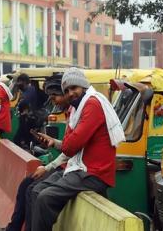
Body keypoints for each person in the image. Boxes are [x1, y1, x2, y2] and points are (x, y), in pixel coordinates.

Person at [31, 67, 126, 231]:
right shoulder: (77, 108)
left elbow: (70, 146)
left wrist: (65, 142)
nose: (70, 94)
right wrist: (60, 142)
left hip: (93, 173)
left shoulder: (92, 105)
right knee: (36, 190)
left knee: (45, 198)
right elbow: (70, 144)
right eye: (66, 90)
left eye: (74, 88)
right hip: (79, 169)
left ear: (83, 86)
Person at [6, 75, 70, 231]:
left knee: (33, 191)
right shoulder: (70, 112)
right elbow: (69, 147)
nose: (53, 100)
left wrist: (48, 167)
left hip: (71, 168)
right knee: (25, 185)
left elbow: (72, 149)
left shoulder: (79, 112)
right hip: (65, 165)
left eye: (55, 96)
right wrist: (52, 142)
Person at [14, 73, 42, 148]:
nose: (17, 84)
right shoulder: (28, 90)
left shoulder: (30, 90)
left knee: (18, 140)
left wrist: (21, 107)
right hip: (27, 118)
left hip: (28, 119)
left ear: (24, 82)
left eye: (19, 81)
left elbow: (24, 102)